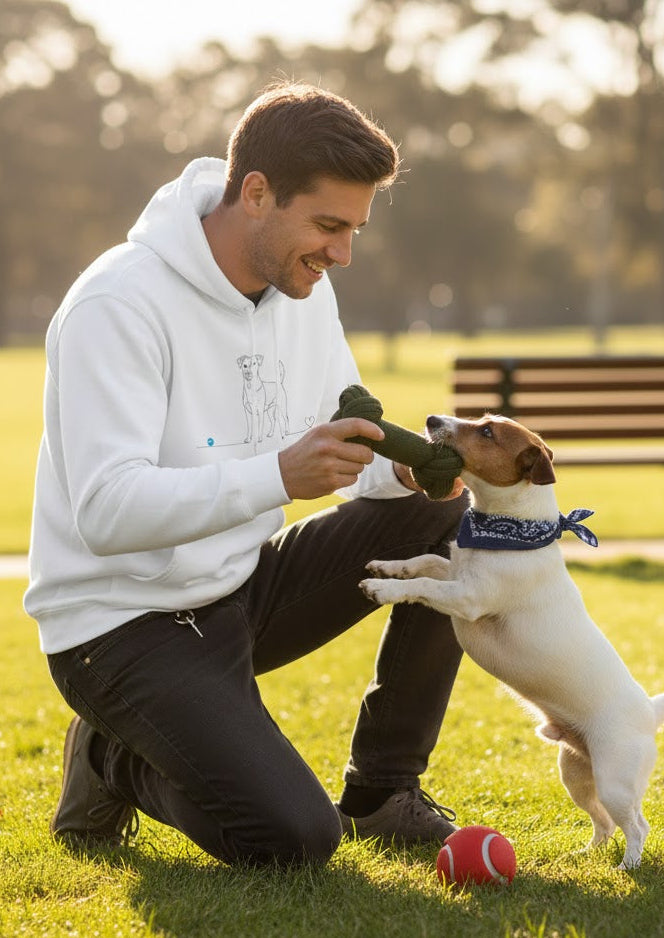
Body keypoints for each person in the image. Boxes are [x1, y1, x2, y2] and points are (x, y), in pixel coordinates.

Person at [24, 81, 468, 867]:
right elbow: (105, 510)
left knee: (447, 523)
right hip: (121, 630)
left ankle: (382, 791)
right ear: (256, 193)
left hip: (239, 592)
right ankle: (110, 757)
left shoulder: (304, 292)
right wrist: (275, 476)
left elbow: (342, 446)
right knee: (292, 839)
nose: (342, 253)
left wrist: (400, 481)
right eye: (329, 225)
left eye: (355, 229)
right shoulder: (118, 304)